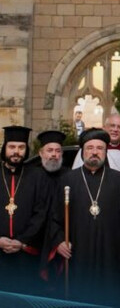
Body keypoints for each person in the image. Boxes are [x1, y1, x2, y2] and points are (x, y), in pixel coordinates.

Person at [45, 128, 120, 306]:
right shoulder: (68, 179)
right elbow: (54, 218)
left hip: (111, 257)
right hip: (78, 255)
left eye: (100, 148)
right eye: (90, 147)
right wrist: (59, 241)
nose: (95, 152)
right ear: (83, 151)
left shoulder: (118, 180)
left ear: (106, 152)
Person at [0, 126, 50, 294]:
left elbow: (41, 213)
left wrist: (21, 241)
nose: (16, 152)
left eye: (21, 147)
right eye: (12, 147)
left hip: (26, 254)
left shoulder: (38, 176)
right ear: (4, 148)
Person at [71, 113, 120, 202]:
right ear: (104, 128)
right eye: (112, 126)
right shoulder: (88, 152)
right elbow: (76, 181)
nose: (115, 130)